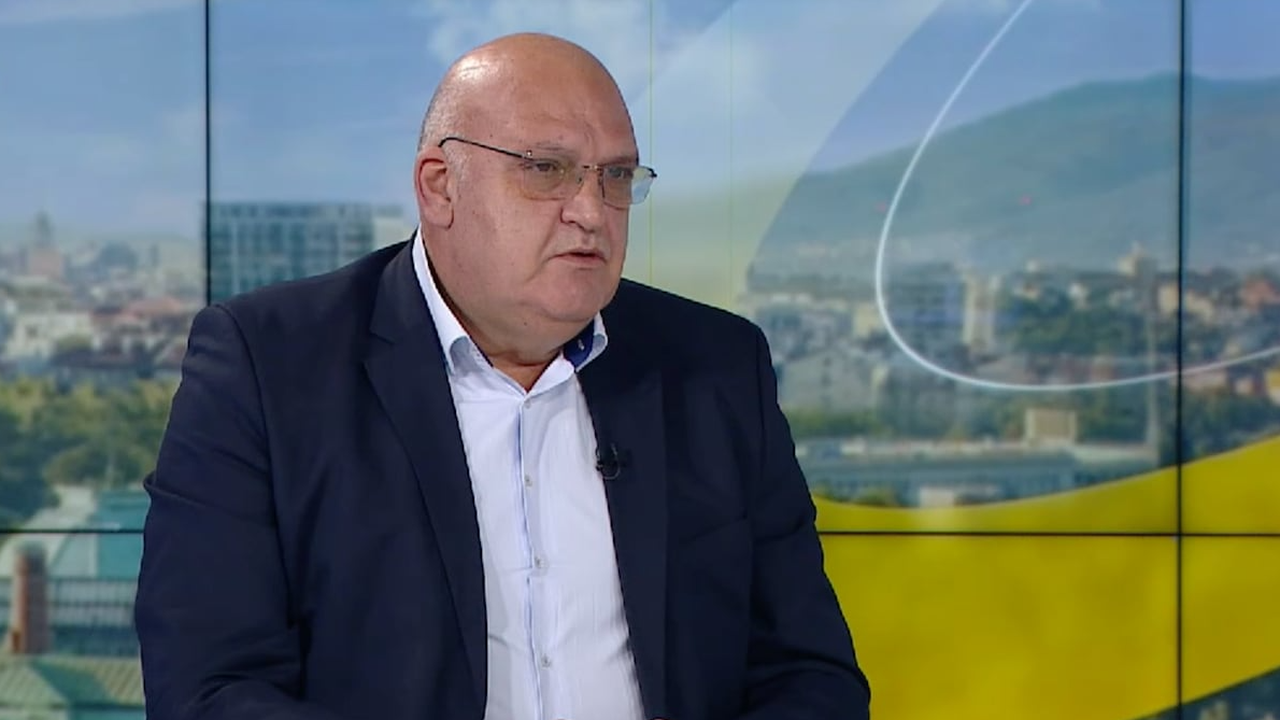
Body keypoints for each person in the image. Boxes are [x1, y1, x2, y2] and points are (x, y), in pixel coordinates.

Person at [134, 31, 870, 720]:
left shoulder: (716, 366)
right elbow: (210, 688)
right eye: (546, 171)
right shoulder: (269, 366)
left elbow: (809, 675)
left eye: (615, 177)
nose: (591, 212)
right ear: (439, 187)